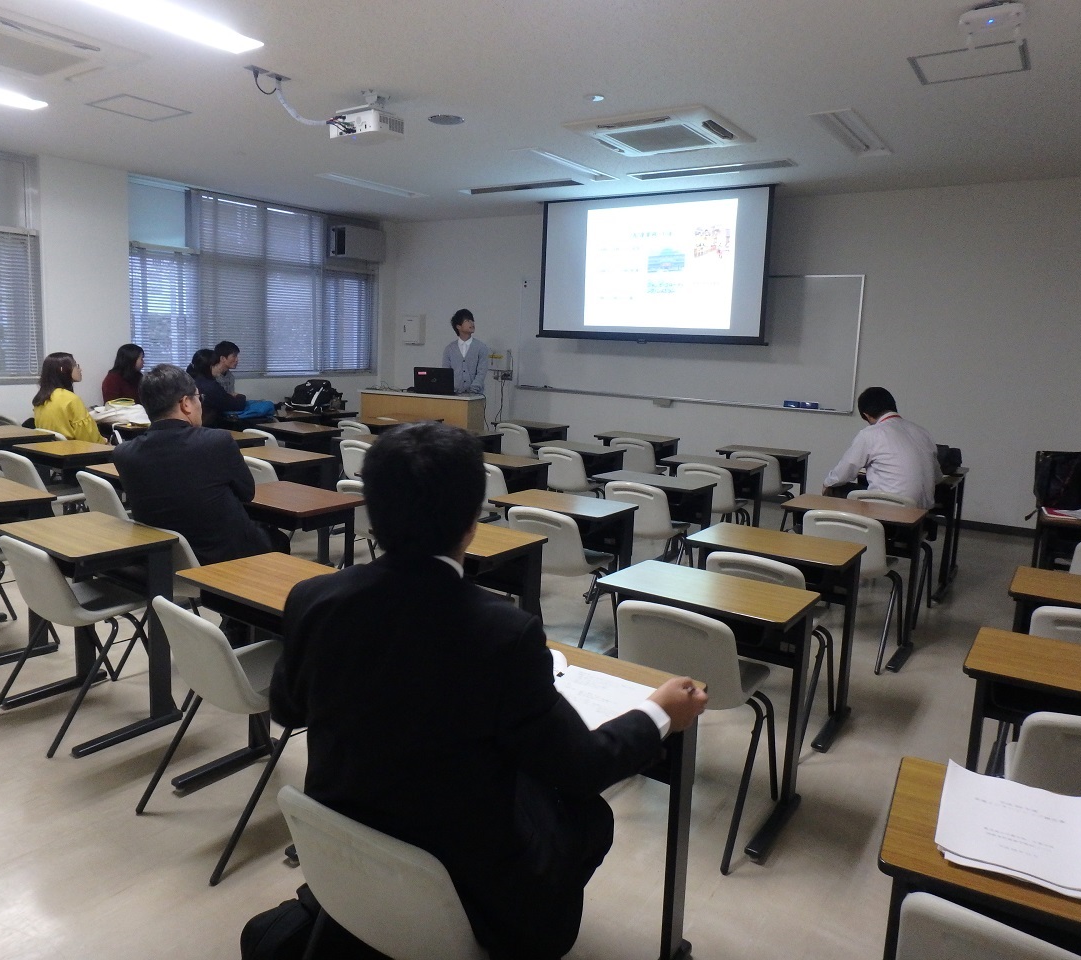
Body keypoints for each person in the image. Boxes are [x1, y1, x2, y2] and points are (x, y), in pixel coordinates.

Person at [269, 422, 706, 960]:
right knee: (588, 817)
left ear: (371, 513)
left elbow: (287, 707)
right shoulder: (502, 632)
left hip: (344, 845)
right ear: (473, 520)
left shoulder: (312, 597)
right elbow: (581, 768)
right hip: (461, 883)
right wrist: (659, 713)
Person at [113, 364, 271, 565]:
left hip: (163, 559)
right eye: (199, 397)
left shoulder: (124, 453)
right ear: (186, 403)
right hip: (226, 557)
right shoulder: (216, 442)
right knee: (276, 540)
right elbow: (247, 493)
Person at [822, 386, 942, 508]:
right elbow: (937, 477)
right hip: (922, 511)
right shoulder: (923, 432)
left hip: (888, 509)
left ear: (866, 415)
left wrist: (827, 483)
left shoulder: (870, 434)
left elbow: (845, 471)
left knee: (834, 488)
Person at [32, 352, 106, 444]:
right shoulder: (71, 399)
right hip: (77, 450)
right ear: (63, 370)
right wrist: (105, 441)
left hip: (49, 450)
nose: (80, 369)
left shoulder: (41, 398)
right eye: (76, 366)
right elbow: (89, 437)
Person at [186, 348, 246, 427]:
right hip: (209, 426)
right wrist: (240, 396)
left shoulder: (188, 380)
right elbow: (236, 405)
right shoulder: (209, 386)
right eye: (218, 365)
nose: (220, 368)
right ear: (210, 366)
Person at [441, 308, 489, 394]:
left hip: (476, 395)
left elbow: (481, 372)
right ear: (458, 326)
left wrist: (473, 390)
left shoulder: (481, 347)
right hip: (454, 394)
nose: (472, 323)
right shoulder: (449, 349)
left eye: (472, 320)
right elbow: (446, 372)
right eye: (467, 321)